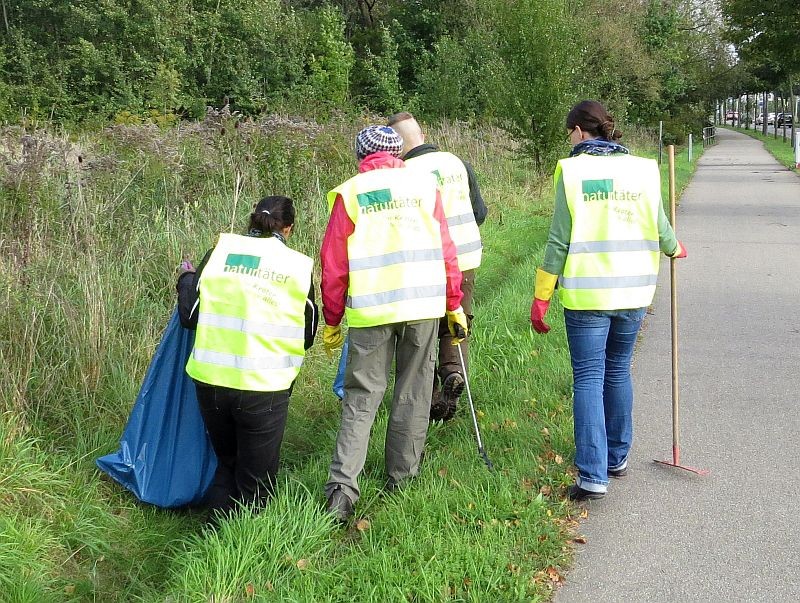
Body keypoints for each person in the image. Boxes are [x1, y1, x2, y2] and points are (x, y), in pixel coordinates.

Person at [530, 100, 686, 501]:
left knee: (588, 378)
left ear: (580, 131)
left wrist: (541, 295)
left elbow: (558, 241)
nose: (569, 140)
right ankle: (616, 458)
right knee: (617, 371)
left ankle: (592, 476)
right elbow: (660, 225)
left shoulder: (571, 171)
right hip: (634, 290)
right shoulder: (642, 169)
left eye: (569, 133)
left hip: (588, 294)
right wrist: (674, 248)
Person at [320, 125, 467, 522]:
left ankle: (341, 491)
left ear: (360, 156)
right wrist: (453, 304)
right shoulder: (424, 188)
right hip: (422, 305)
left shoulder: (350, 193)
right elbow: (446, 251)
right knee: (414, 390)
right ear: (399, 153)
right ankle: (402, 477)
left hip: (371, 312)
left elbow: (334, 267)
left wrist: (332, 320)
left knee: (361, 398)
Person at [177, 195, 318, 521]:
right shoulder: (296, 267)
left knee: (227, 464)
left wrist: (185, 279)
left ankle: (213, 540)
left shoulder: (219, 253)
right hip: (264, 388)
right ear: (289, 228)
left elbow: (190, 315)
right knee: (257, 484)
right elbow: (308, 333)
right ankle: (244, 554)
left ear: (252, 220)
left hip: (211, 383)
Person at [387, 112, 488, 422]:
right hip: (466, 258)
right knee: (457, 327)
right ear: (421, 133)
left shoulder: (402, 171)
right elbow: (479, 212)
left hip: (426, 263)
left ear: (397, 144)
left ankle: (431, 400)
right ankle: (454, 375)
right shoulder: (457, 162)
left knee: (422, 333)